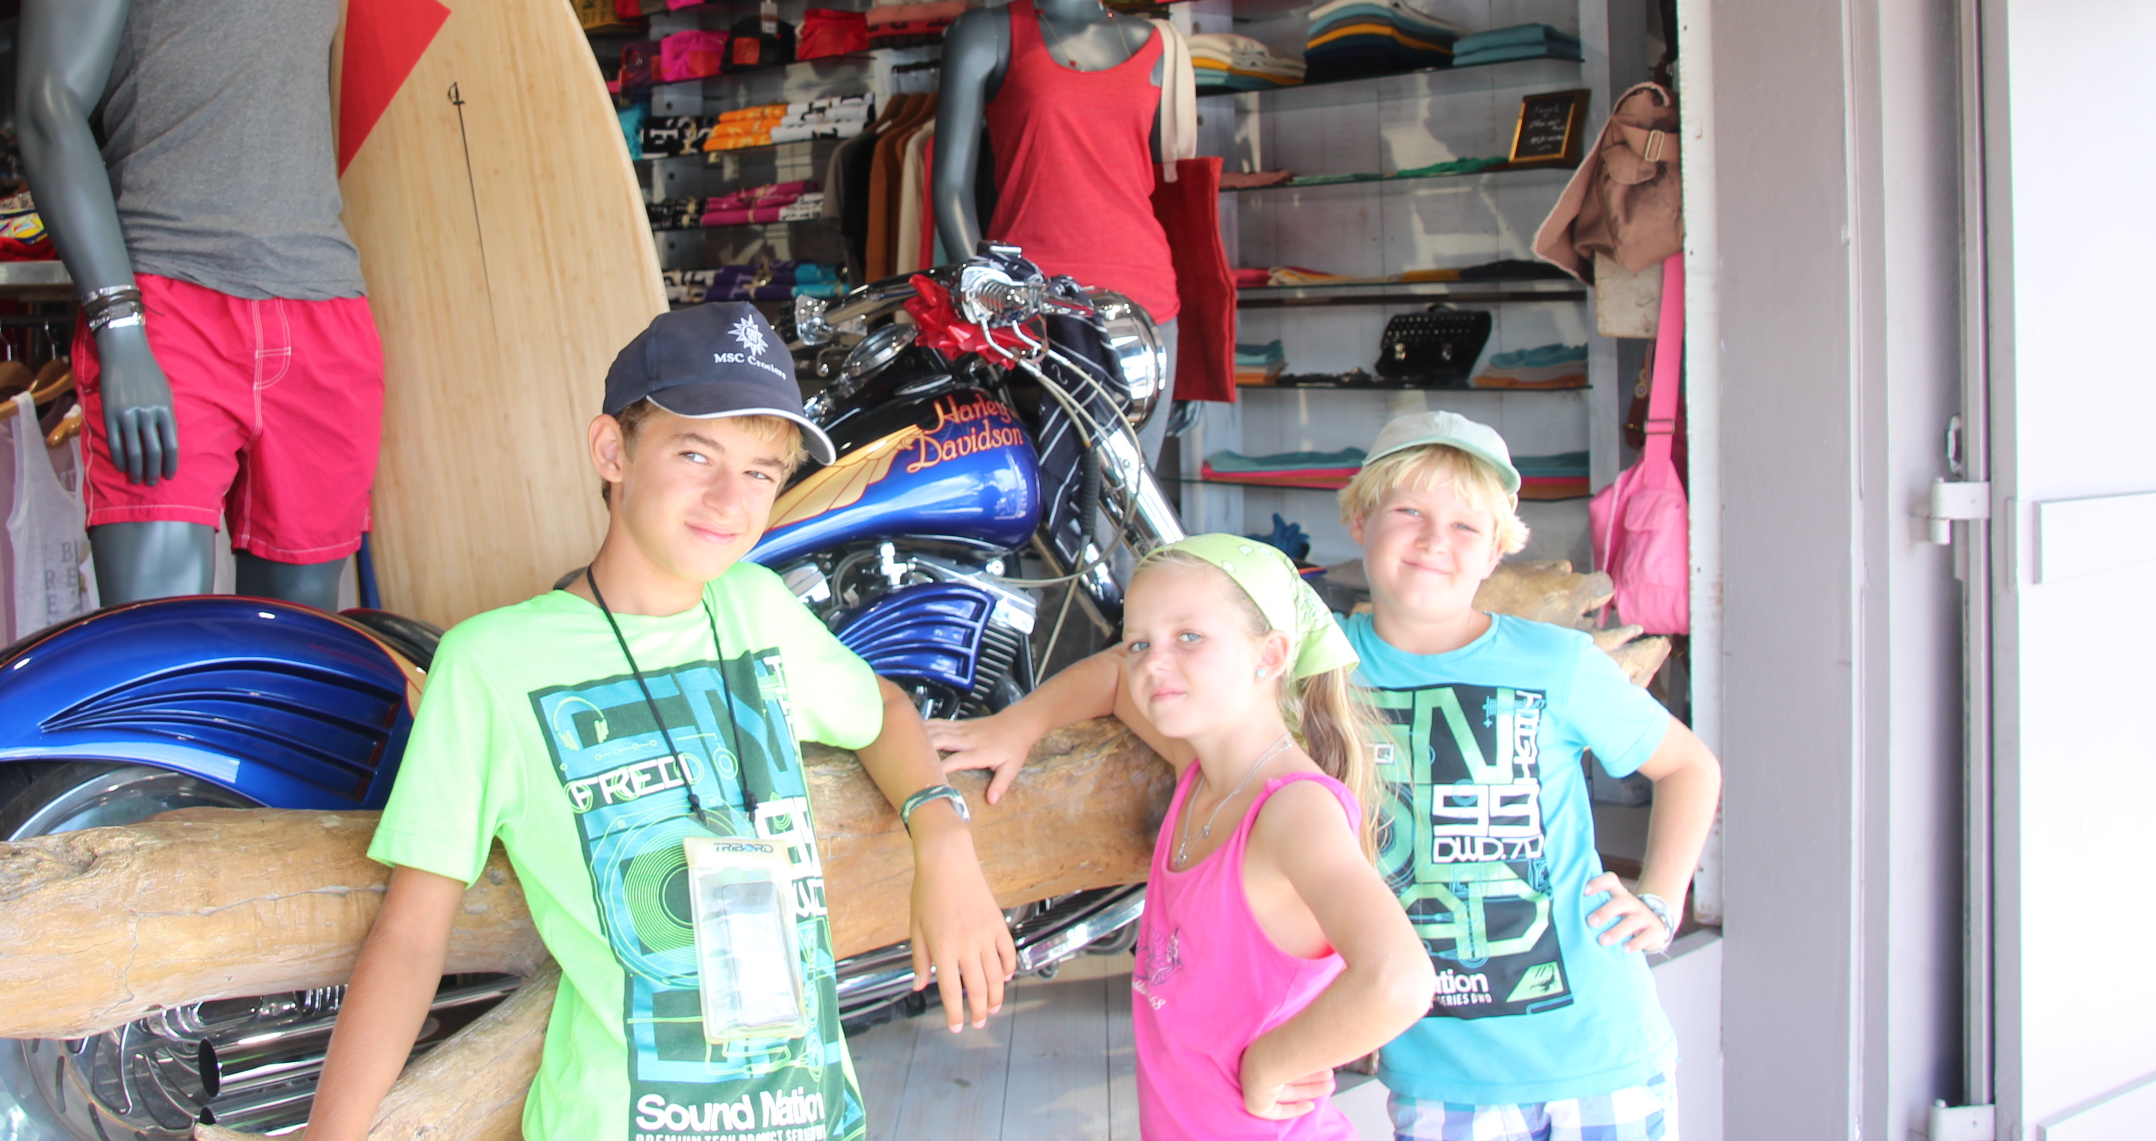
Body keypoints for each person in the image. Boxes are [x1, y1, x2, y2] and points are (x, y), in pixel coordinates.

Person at [303, 302, 1018, 1141]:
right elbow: (409, 938)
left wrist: (942, 838)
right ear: (613, 452)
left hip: (812, 1116)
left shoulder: (758, 609)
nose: (730, 499)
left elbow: (882, 709)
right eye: (694, 453)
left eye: (761, 471)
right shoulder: (491, 666)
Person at [939, 412, 1724, 1141]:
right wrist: (1020, 722)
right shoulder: (1311, 665)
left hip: (1597, 1047)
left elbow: (1689, 766)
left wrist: (1660, 897)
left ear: (1496, 550)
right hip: (1435, 1069)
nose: (1433, 540)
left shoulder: (1558, 663)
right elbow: (1134, 667)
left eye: (1465, 525)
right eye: (1408, 512)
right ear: (1359, 520)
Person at [932, 534, 1431, 1137]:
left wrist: (1273, 1064)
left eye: (1189, 637)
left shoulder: (1293, 811)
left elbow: (1399, 981)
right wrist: (1019, 723)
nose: (1153, 663)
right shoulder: (1199, 772)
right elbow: (1115, 677)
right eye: (1141, 641)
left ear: (1271, 655)